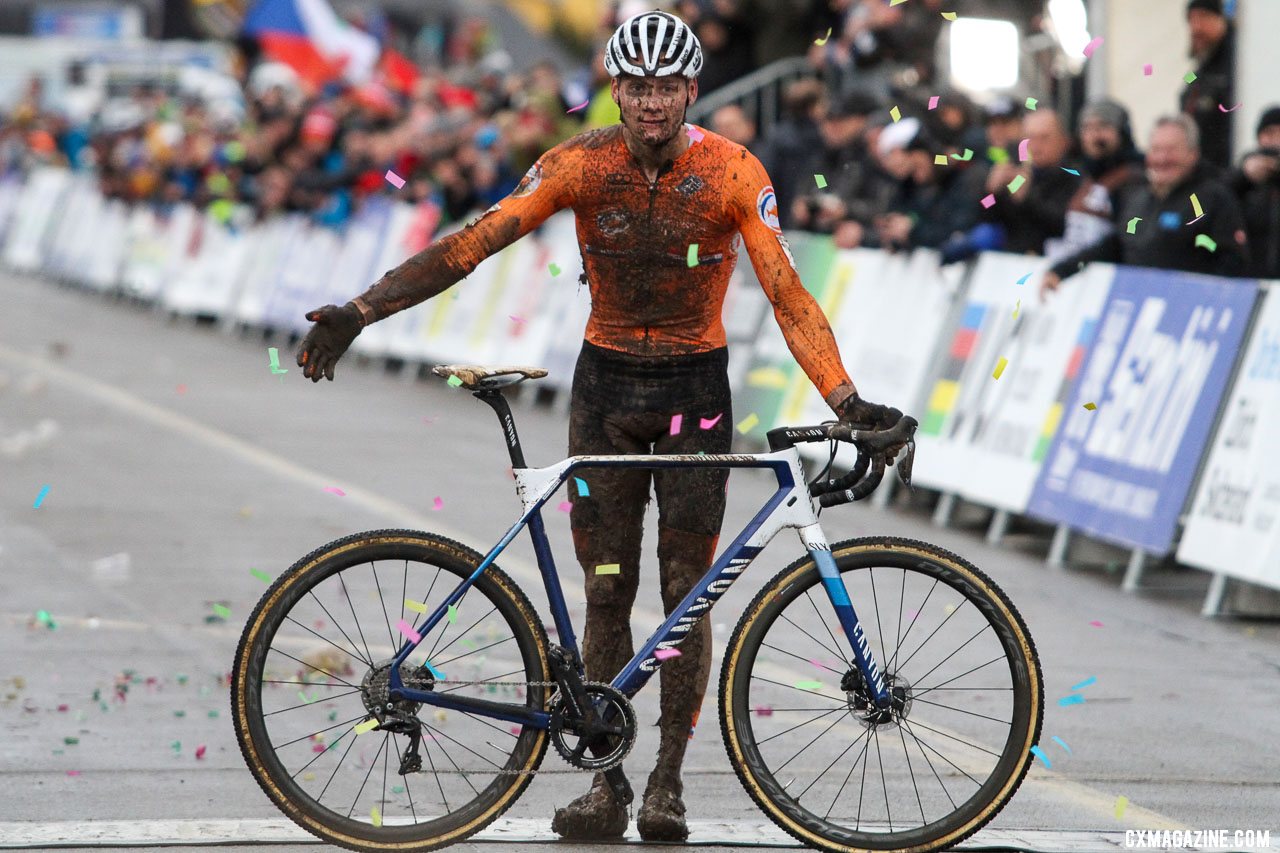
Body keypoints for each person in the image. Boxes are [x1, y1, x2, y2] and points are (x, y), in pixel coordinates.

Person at [294, 9, 909, 842]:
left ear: (692, 90)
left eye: (666, 88)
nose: (651, 103)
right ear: (615, 90)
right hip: (606, 393)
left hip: (696, 391)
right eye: (636, 87)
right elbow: (474, 242)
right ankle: (607, 784)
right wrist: (361, 310)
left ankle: (667, 786)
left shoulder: (733, 171)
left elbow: (787, 293)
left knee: (688, 596)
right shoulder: (578, 164)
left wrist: (845, 399)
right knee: (607, 589)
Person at [1041, 115, 1248, 299]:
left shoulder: (1214, 198)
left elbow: (1232, 260)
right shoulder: (1139, 197)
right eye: (1156, 150)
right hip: (1141, 312)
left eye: (1171, 150)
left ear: (1192, 154)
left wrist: (1201, 298)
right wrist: (1061, 271)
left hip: (1189, 315)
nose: (1162, 158)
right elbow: (1116, 245)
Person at [1046, 99, 1146, 262]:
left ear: (1121, 132)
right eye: (1087, 128)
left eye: (1103, 127)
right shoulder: (1080, 174)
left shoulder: (1134, 177)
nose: (1094, 136)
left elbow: (1126, 238)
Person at [982, 108, 1080, 255]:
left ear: (1063, 141)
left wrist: (1027, 198)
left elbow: (1062, 225)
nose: (1035, 146)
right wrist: (991, 192)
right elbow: (988, 216)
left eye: (1044, 138)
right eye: (1029, 139)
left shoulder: (1074, 176)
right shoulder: (1021, 174)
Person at [1179, 0, 1235, 170]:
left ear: (1221, 20)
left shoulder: (1236, 65)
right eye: (1191, 20)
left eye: (1203, 17)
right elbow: (1184, 92)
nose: (1196, 28)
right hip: (1198, 170)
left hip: (1223, 172)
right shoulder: (1197, 70)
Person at [1230, 106, 1280, 279]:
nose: (1275, 141)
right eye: (1269, 133)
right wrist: (1244, 178)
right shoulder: (1244, 180)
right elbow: (1215, 202)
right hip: (1250, 279)